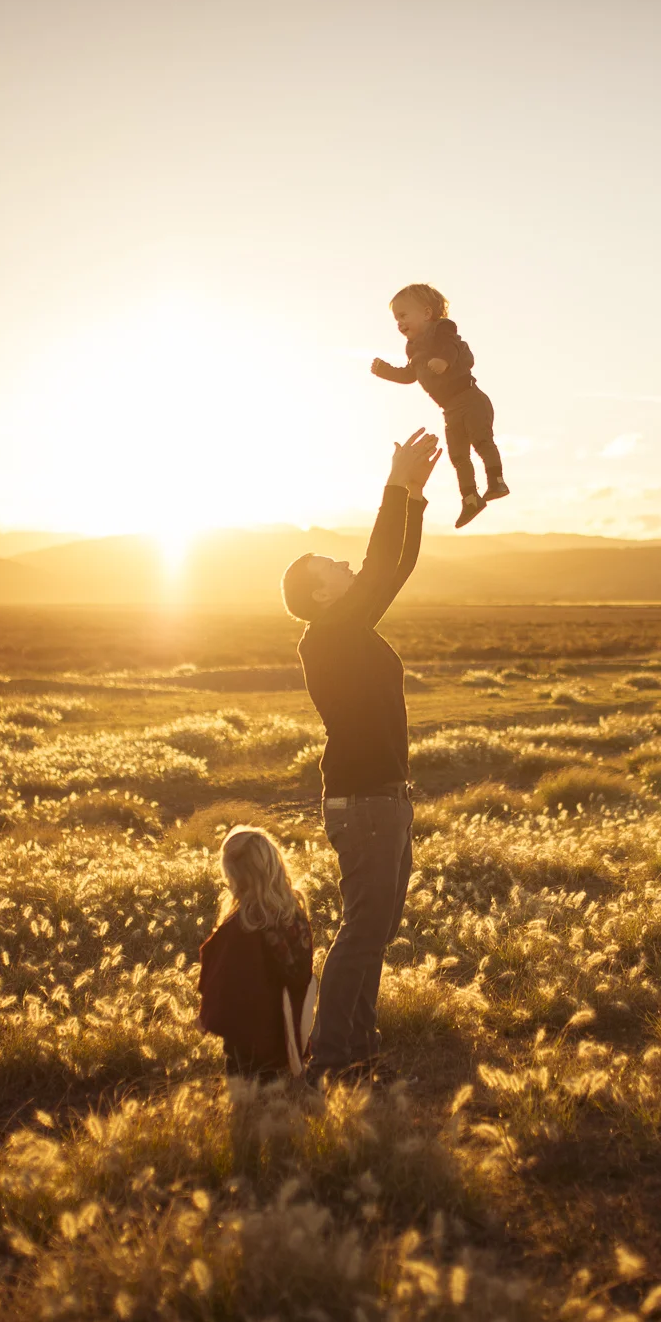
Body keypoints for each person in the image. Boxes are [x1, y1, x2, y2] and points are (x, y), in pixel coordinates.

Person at [279, 429, 443, 1080]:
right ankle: (331, 1051)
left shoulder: (347, 627)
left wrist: (415, 500)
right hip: (366, 802)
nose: (348, 569)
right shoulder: (328, 636)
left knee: (374, 927)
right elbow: (378, 568)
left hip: (385, 797)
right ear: (319, 595)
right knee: (363, 927)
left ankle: (359, 1041)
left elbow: (392, 570)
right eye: (332, 570)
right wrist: (393, 487)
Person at [370, 283, 508, 529]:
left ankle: (496, 481)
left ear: (426, 313)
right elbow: (409, 375)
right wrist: (385, 371)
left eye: (403, 316)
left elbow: (451, 346)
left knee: (481, 441)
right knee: (458, 456)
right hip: (450, 409)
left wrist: (443, 360)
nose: (399, 323)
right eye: (396, 319)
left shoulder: (442, 329)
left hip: (471, 399)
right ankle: (471, 499)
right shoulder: (413, 348)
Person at [197, 826, 316, 1081]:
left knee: (247, 1103)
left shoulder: (238, 929)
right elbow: (303, 977)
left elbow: (220, 984)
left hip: (247, 1049)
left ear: (234, 877)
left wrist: (207, 1016)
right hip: (290, 1039)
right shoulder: (295, 917)